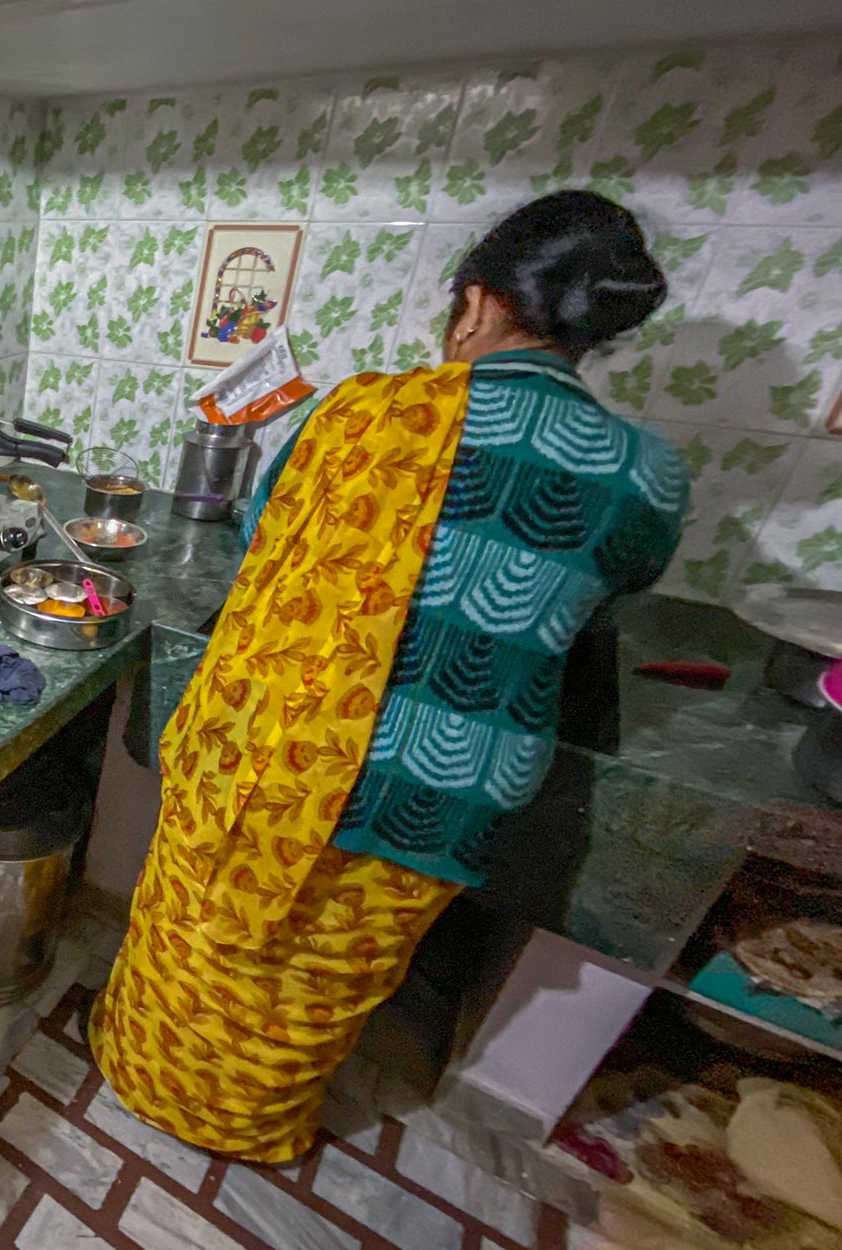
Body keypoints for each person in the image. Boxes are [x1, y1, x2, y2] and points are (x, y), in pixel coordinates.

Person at [90, 191, 689, 1163]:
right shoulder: (642, 470)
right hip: (439, 794)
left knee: (196, 948)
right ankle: (254, 1123)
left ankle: (148, 1075)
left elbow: (262, 540)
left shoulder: (362, 414)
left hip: (273, 767)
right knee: (320, 985)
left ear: (479, 301)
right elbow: (605, 594)